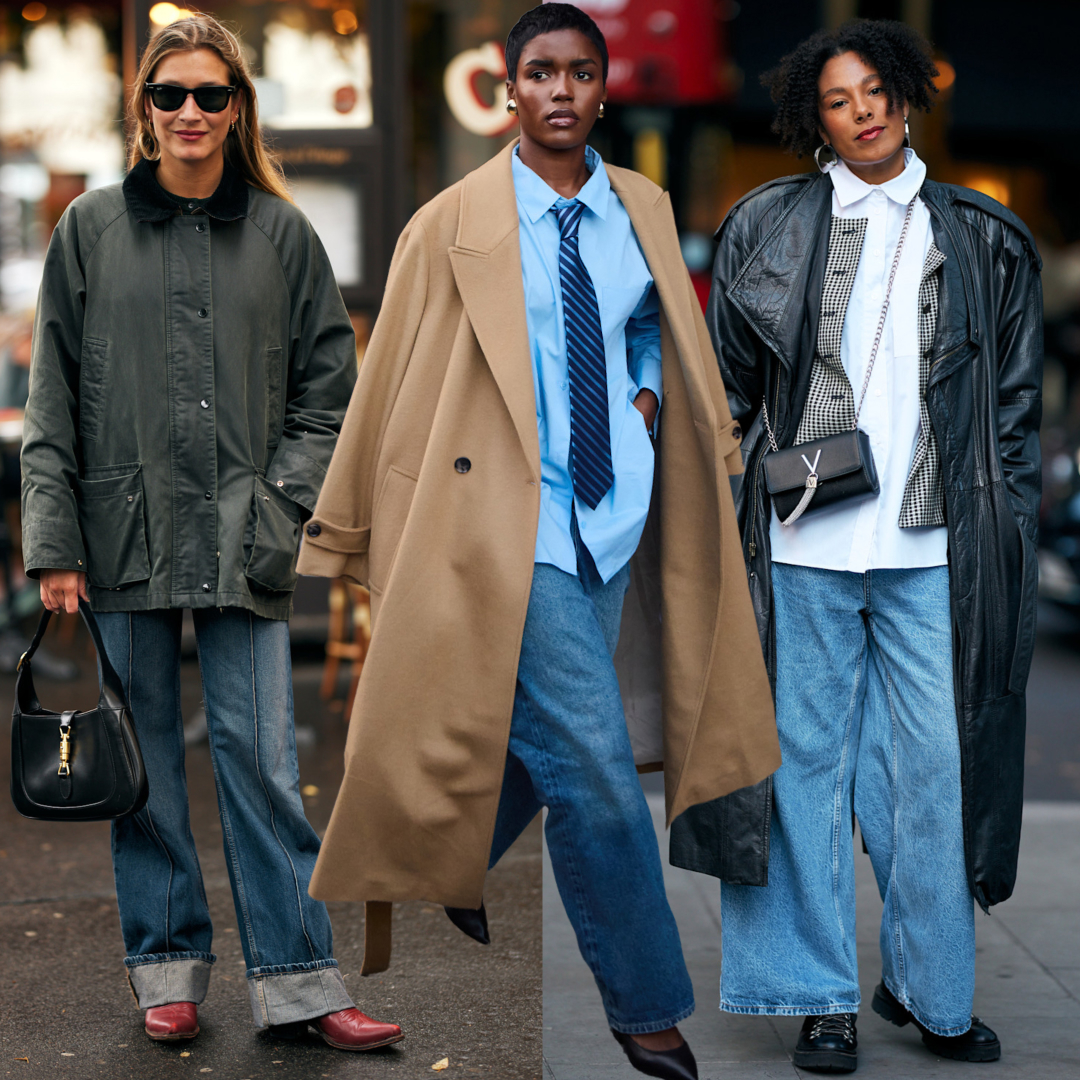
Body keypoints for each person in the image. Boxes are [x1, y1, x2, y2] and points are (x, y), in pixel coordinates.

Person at [295, 5, 779, 1078]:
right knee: (600, 770)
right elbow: (396, 381)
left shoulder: (640, 206)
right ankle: (648, 1007)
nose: (560, 90)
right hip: (506, 526)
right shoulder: (452, 220)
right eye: (539, 72)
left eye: (580, 73)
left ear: (604, 90)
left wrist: (648, 396)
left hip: (615, 518)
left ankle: (455, 856)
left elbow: (655, 319)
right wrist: (353, 526)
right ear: (509, 90)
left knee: (559, 739)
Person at [20, 14, 403, 1052]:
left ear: (239, 111)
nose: (190, 113)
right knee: (137, 769)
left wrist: (280, 502)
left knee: (264, 759)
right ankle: (168, 972)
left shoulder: (283, 236)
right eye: (170, 95)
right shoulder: (90, 229)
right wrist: (53, 544)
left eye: (211, 95)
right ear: (142, 110)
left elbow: (334, 394)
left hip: (249, 537)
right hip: (119, 535)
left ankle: (300, 984)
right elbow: (50, 395)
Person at [692, 18, 1042, 1073]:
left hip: (935, 550)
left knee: (934, 776)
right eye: (838, 100)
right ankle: (819, 1000)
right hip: (805, 545)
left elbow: (1013, 413)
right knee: (804, 776)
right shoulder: (769, 222)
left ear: (906, 93)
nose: (862, 113)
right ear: (817, 116)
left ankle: (933, 997)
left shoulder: (981, 234)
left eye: (876, 92)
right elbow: (730, 392)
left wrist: (1010, 524)